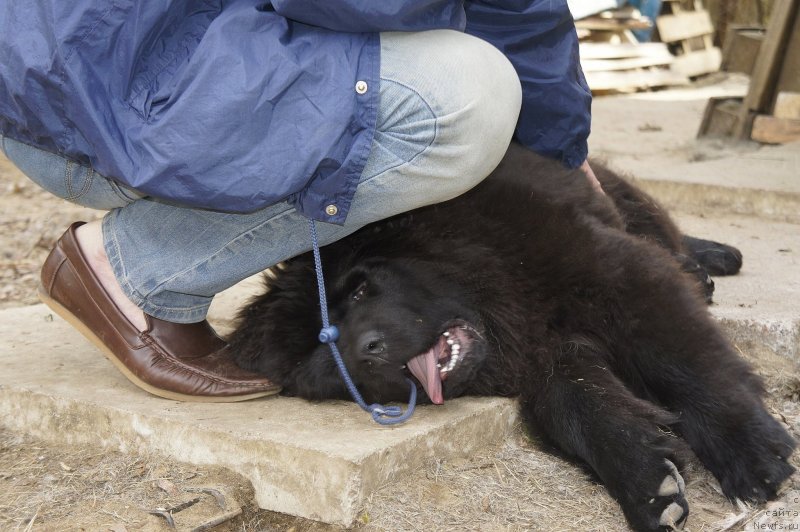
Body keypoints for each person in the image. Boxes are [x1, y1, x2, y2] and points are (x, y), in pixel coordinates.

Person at [0, 1, 595, 401]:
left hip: (59, 83)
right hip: (103, 85)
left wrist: (562, 156)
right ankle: (137, 270)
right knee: (464, 97)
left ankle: (148, 252)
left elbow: (522, 12)